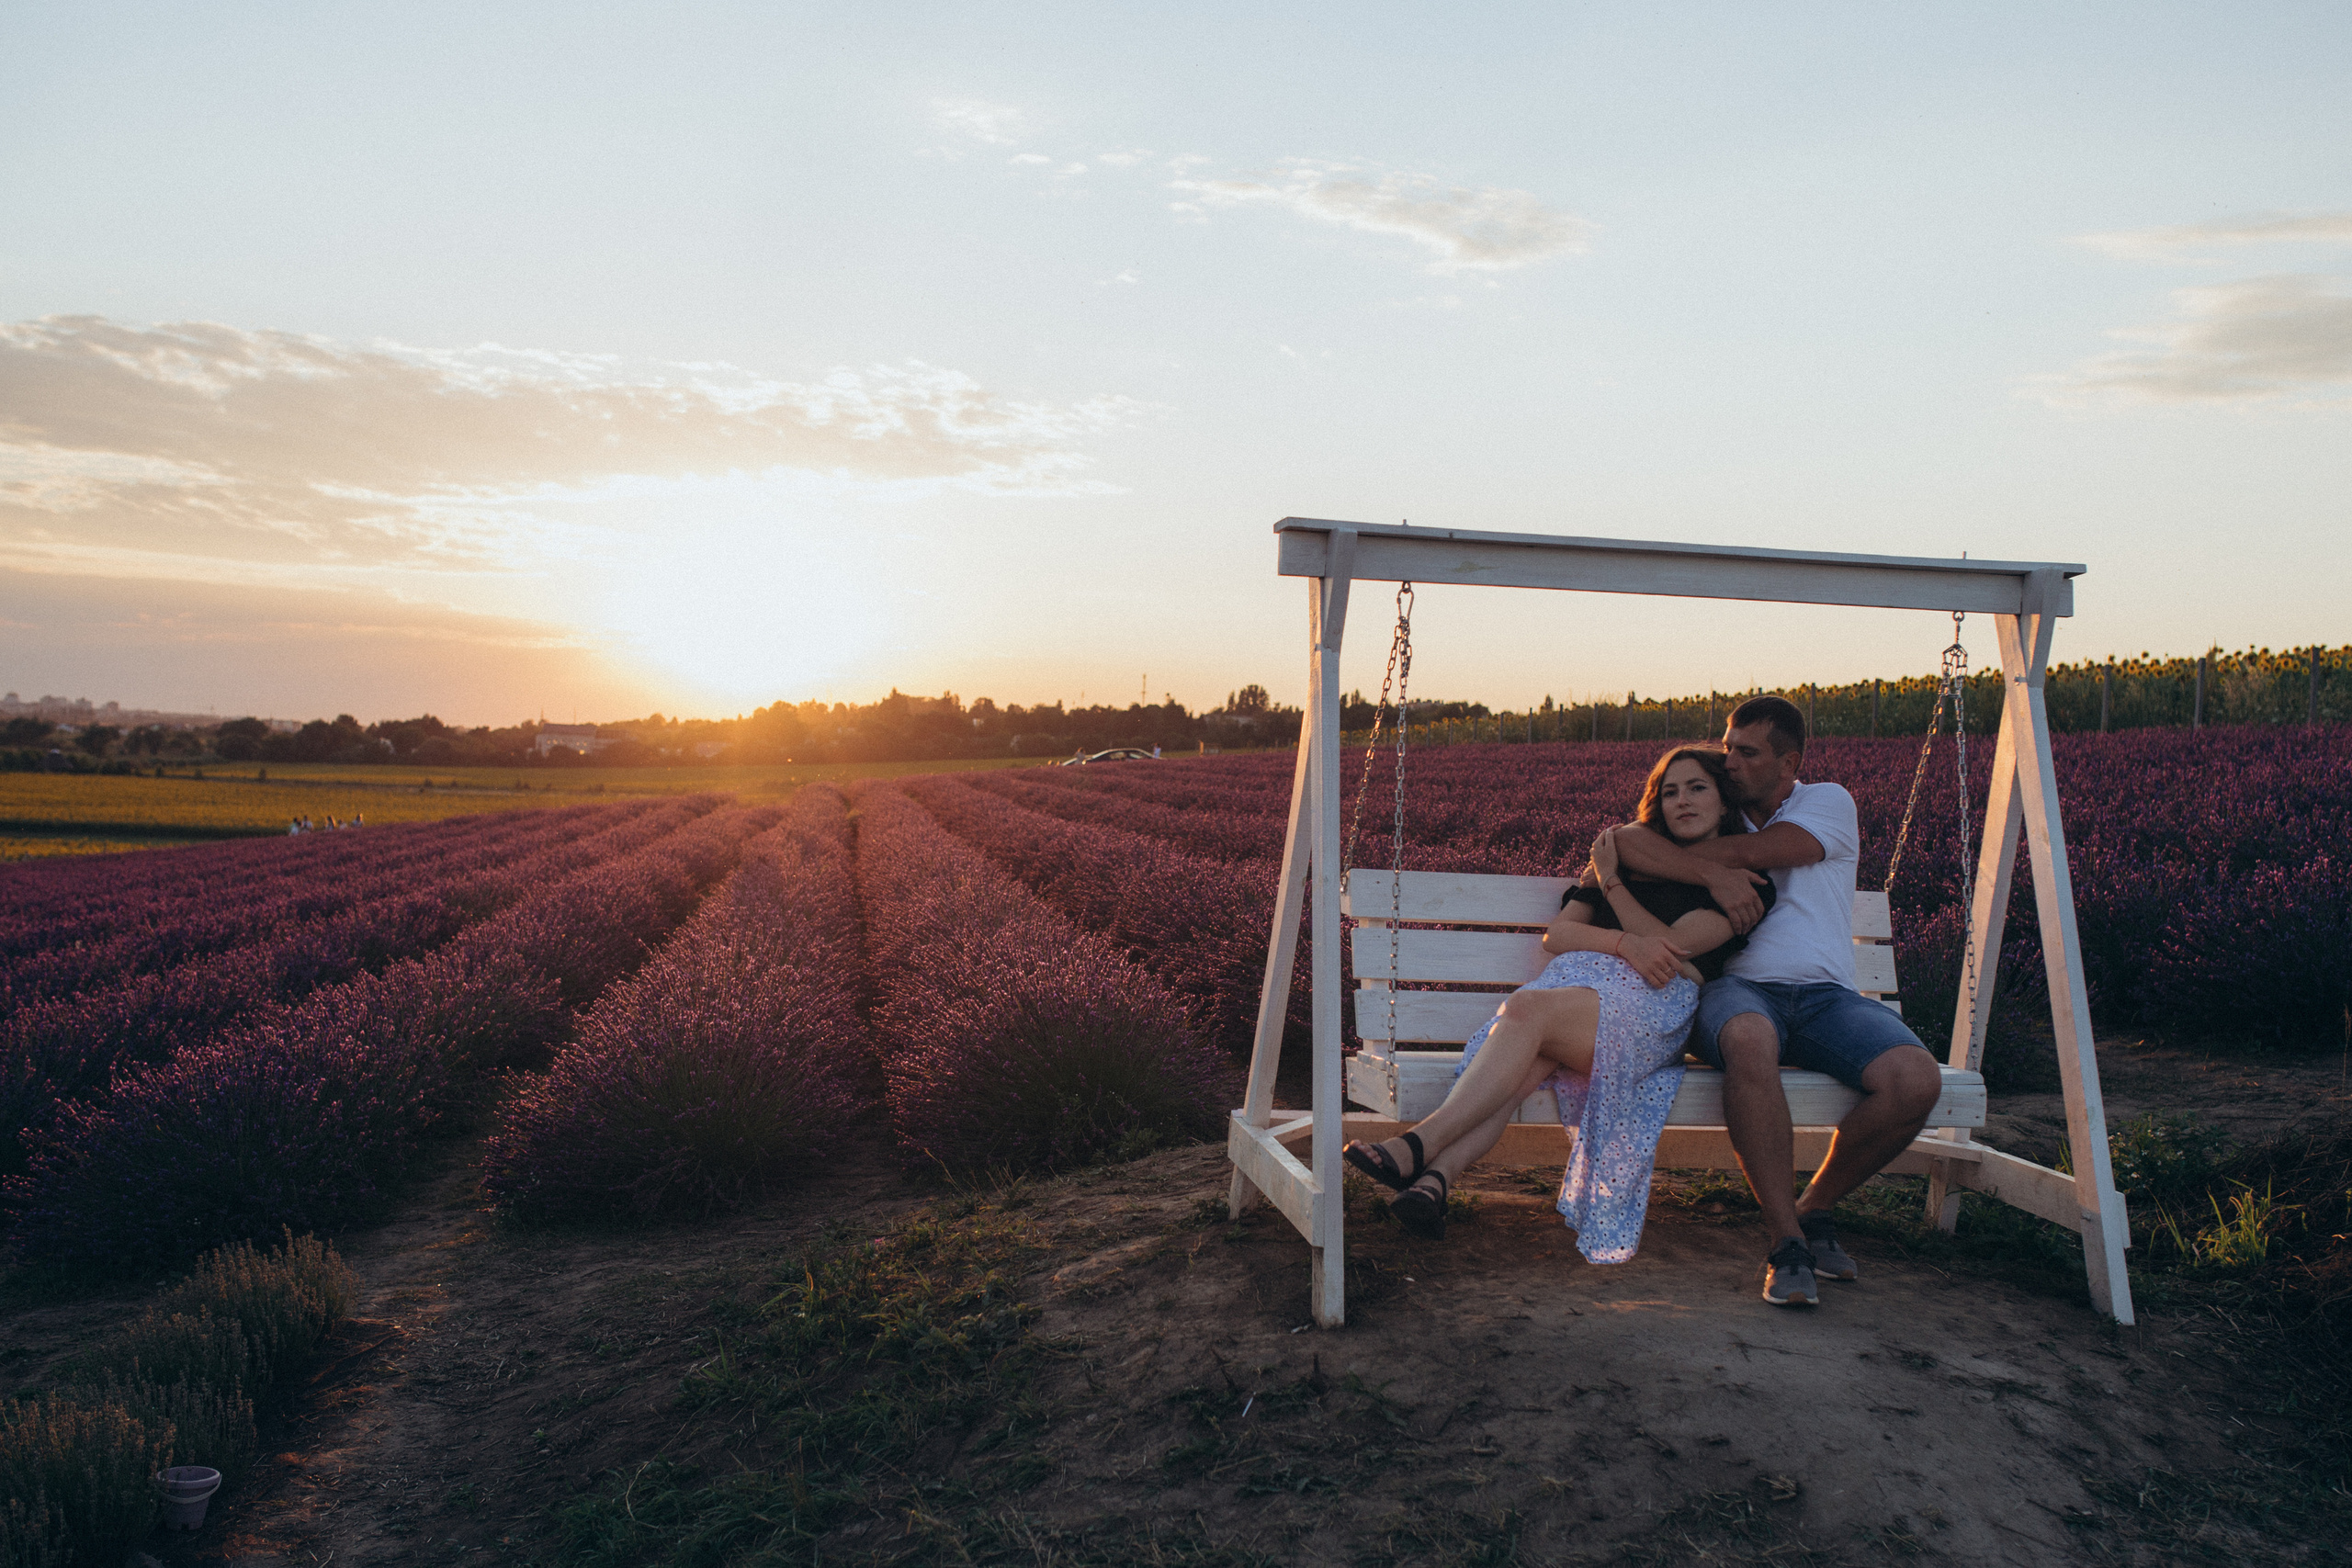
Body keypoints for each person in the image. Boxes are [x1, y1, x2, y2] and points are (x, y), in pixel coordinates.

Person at [1341, 746, 1774, 1261]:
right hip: (1577, 996)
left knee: (1526, 1012)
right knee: (1528, 1057)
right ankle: (1434, 1182)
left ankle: (1415, 1146)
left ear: (1725, 802)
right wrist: (1620, 941)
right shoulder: (1629, 855)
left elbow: (1669, 952)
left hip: (1651, 1010)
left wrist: (1613, 886)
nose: (1682, 800)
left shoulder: (1744, 883)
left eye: (1698, 788)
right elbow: (1558, 935)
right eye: (1670, 790)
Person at [1607, 694, 1944, 1308]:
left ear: (1788, 762)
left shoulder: (1825, 802)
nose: (1728, 760)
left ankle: (1813, 1206)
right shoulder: (1715, 810)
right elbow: (1622, 842)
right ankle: (1786, 1240)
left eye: (1746, 751)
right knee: (1748, 1039)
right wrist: (1703, 872)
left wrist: (1687, 862)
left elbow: (1759, 854)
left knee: (1916, 1079)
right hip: (1736, 992)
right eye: (1728, 746)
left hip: (1825, 998)